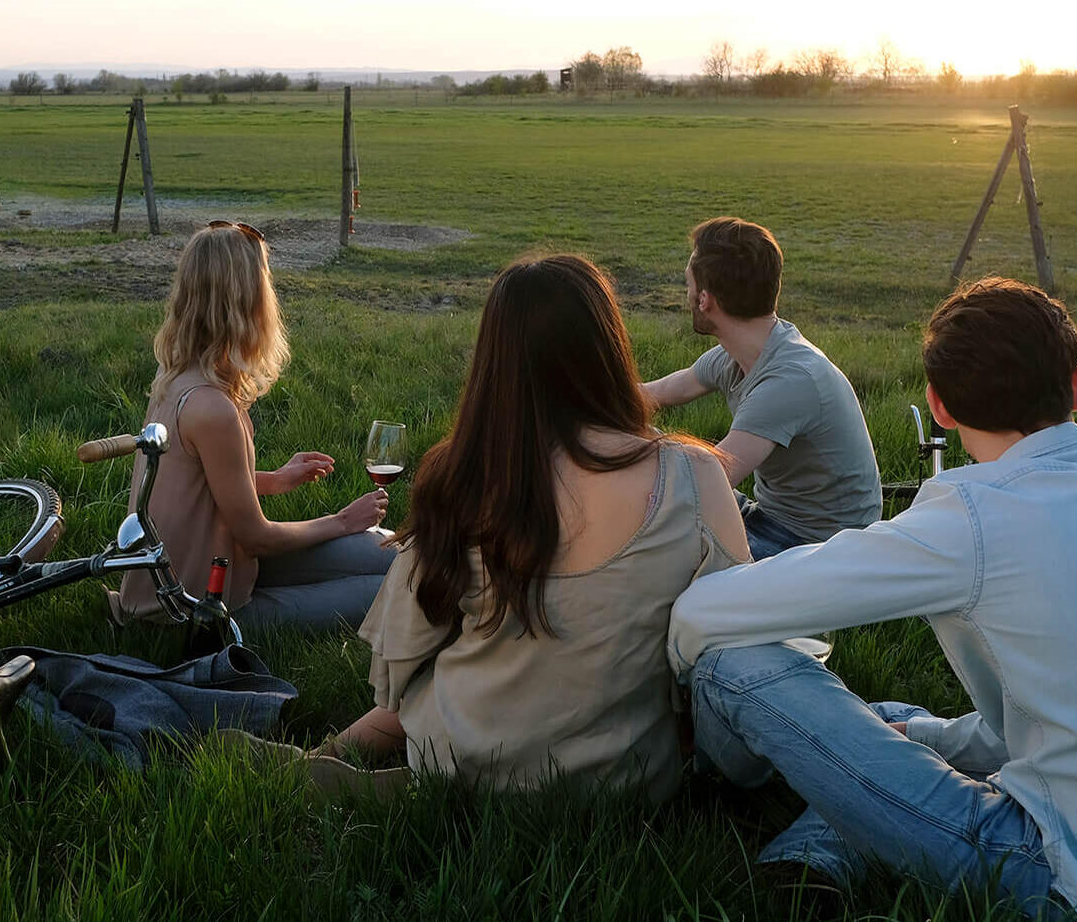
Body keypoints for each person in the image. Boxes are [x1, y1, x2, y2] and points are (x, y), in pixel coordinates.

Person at [667, 278, 1077, 921]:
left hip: (1073, 889)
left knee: (734, 665)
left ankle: (716, 792)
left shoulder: (975, 518)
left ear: (939, 407)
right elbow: (1070, 722)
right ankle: (808, 863)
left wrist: (688, 686)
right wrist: (913, 735)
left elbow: (707, 612)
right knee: (895, 717)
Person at [322, 255, 750, 803]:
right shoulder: (694, 476)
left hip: (461, 760)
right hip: (627, 780)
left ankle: (335, 760)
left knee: (450, 646)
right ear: (609, 348)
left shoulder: (465, 474)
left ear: (493, 362)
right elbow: (733, 641)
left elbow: (402, 656)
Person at [109, 221, 393, 632]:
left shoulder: (177, 377)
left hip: (210, 572)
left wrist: (275, 480)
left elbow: (203, 488)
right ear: (246, 300)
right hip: (197, 608)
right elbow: (257, 537)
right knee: (392, 590)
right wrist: (343, 521)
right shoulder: (210, 407)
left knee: (394, 558)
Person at [643, 217, 881, 557]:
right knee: (652, 466)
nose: (688, 293)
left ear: (704, 300)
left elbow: (709, 481)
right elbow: (654, 394)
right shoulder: (737, 356)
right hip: (768, 517)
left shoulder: (790, 380)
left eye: (688, 285)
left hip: (822, 546)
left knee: (670, 562)